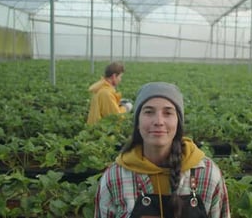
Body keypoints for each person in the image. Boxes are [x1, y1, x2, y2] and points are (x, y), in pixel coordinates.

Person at [94, 82, 230, 218]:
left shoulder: (208, 175)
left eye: (168, 113)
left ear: (178, 122)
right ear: (137, 122)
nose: (158, 121)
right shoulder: (114, 178)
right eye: (149, 112)